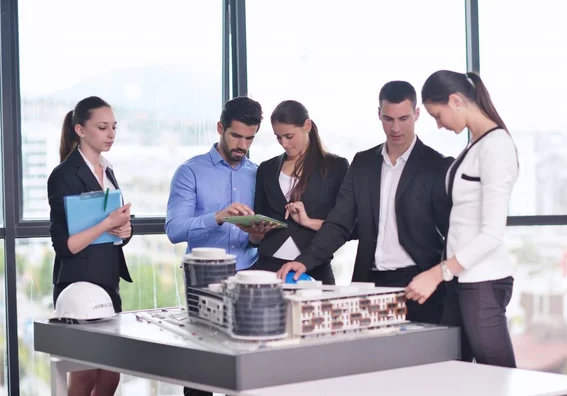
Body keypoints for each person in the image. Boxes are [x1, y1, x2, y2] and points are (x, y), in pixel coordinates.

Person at [277, 81, 454, 324]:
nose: (395, 128)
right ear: (379, 114)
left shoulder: (437, 166)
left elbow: (452, 233)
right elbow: (339, 223)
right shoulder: (362, 164)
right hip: (369, 284)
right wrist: (304, 262)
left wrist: (444, 278)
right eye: (388, 119)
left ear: (416, 114)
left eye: (403, 118)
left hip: (420, 283)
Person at [406, 70, 519, 368]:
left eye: (438, 115)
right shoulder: (475, 145)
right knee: (456, 373)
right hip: (462, 280)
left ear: (456, 101)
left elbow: (492, 234)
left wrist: (437, 273)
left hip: (481, 281)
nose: (439, 125)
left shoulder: (495, 146)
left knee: (499, 377)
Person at [165, 96, 267, 396]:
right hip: (204, 283)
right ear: (220, 128)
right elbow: (174, 230)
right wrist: (217, 217)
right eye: (236, 135)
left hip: (248, 277)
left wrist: (257, 236)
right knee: (201, 374)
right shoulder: (190, 172)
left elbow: (254, 237)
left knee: (247, 373)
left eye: (249, 138)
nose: (242, 146)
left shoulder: (258, 174)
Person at [48, 96, 133, 396]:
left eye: (113, 127)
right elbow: (65, 246)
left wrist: (124, 229)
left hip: (107, 281)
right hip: (78, 286)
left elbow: (115, 228)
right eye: (102, 127)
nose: (110, 134)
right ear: (80, 130)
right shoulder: (63, 176)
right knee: (83, 378)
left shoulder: (108, 170)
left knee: (110, 378)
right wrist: (108, 224)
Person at [247, 100, 349, 284]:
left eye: (289, 136)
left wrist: (308, 222)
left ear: (307, 125)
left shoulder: (336, 167)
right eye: (278, 137)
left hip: (314, 268)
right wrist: (255, 234)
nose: (284, 144)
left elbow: (347, 227)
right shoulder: (266, 169)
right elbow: (258, 228)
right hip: (267, 269)